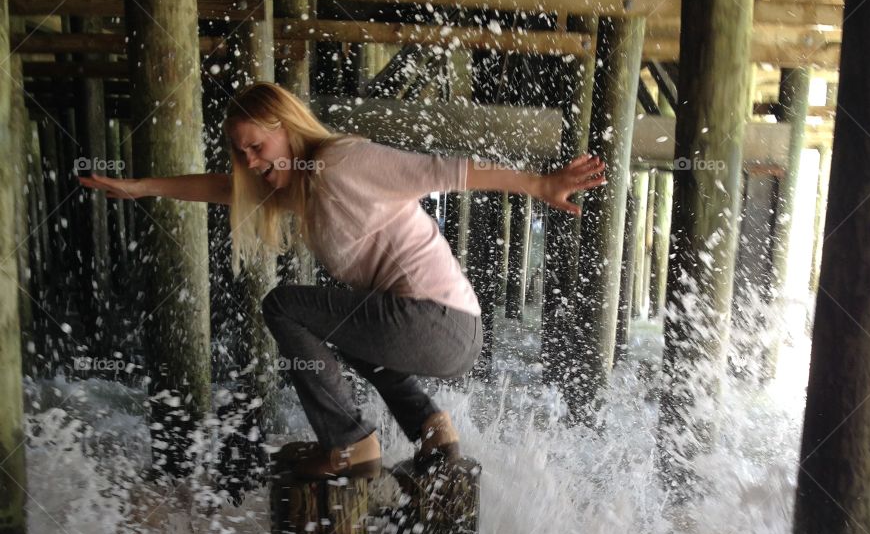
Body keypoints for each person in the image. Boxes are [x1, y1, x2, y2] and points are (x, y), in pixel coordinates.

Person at [79, 82, 606, 477]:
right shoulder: (302, 186)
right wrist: (142, 187)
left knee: (283, 306)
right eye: (240, 153)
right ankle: (431, 430)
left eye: (257, 146)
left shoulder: (341, 162)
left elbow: (445, 169)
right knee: (339, 329)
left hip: (436, 323)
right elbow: (223, 189)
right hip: (446, 332)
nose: (249, 161)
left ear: (287, 127)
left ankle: (350, 444)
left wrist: (538, 183)